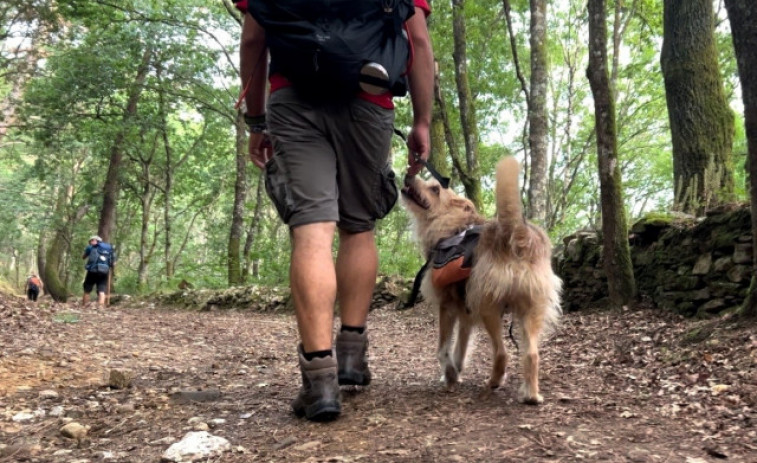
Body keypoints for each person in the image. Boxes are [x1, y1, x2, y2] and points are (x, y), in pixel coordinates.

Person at [237, 0, 434, 421]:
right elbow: (416, 38)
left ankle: (320, 382)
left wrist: (256, 121)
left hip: (294, 97)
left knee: (312, 230)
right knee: (358, 226)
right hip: (369, 98)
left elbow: (254, 38)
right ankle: (351, 357)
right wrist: (422, 121)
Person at [82, 235, 115, 308]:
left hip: (92, 271)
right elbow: (113, 262)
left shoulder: (90, 247)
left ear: (94, 240)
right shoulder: (108, 249)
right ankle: (100, 307)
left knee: (87, 290)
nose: (90, 242)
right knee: (102, 290)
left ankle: (84, 306)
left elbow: (83, 257)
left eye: (91, 241)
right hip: (104, 272)